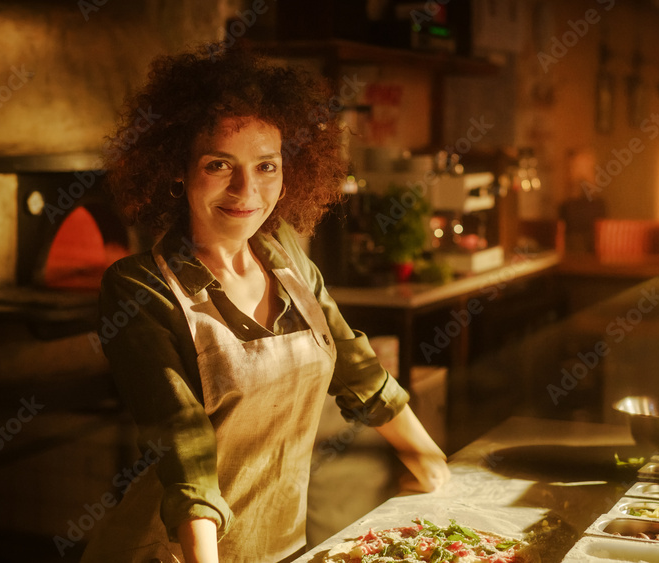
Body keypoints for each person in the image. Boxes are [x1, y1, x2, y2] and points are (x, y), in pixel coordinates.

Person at [82, 44, 450, 563]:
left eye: (266, 166)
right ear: (177, 170)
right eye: (218, 164)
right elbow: (183, 447)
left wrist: (437, 469)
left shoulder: (289, 261)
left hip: (279, 547)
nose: (246, 189)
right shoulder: (141, 286)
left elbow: (361, 374)